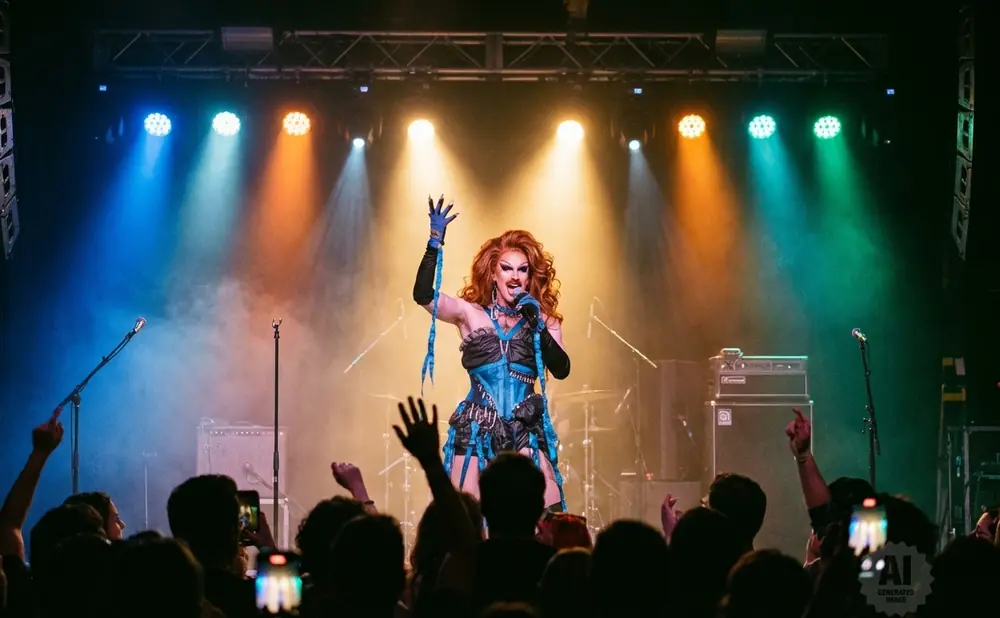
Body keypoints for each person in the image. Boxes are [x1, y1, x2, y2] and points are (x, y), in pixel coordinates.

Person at [412, 196, 571, 511]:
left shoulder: (545, 320)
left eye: (522, 270)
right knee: (462, 509)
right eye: (507, 268)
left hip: (525, 426)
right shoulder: (470, 314)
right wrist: (434, 244)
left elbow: (562, 368)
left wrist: (536, 323)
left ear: (530, 276)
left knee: (546, 505)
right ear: (493, 273)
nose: (515, 276)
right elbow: (423, 295)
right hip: (477, 425)